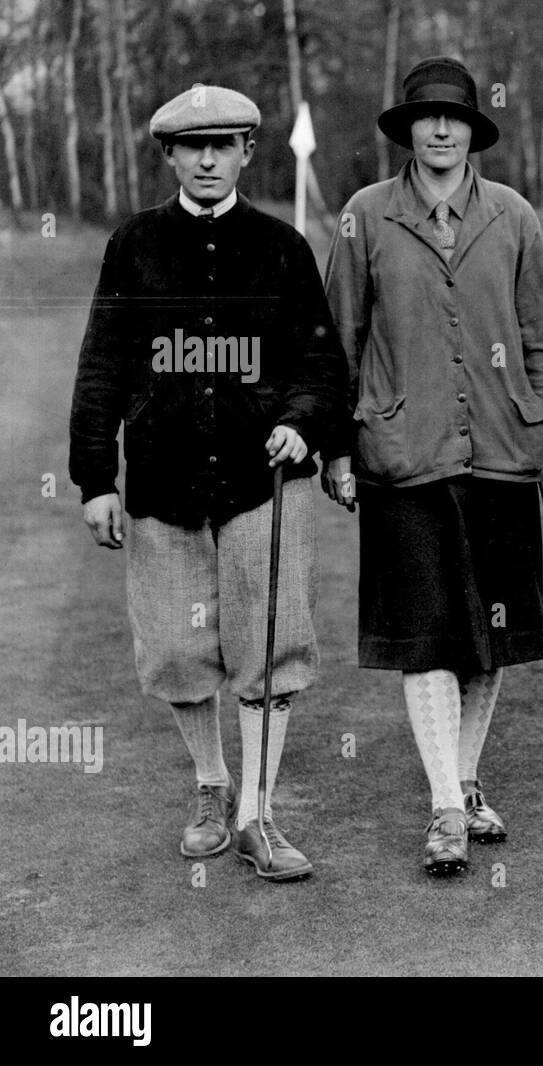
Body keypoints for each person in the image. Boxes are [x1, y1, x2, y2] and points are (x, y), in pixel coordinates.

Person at [68, 84, 348, 882]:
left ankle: (259, 814)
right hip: (163, 479)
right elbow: (102, 369)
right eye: (192, 146)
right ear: (168, 154)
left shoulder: (283, 248)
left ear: (249, 152)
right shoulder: (133, 245)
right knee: (178, 646)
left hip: (267, 483)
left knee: (270, 646)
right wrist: (95, 477)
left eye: (223, 144)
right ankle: (211, 786)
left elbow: (322, 362)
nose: (207, 158)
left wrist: (301, 419)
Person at [322, 57, 543, 876]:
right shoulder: (365, 215)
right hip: (403, 457)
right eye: (425, 118)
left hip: (502, 453)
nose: (439, 130)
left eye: (453, 119)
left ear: (472, 130)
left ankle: (465, 783)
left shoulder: (513, 216)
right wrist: (338, 447)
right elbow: (338, 343)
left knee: (485, 639)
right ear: (406, 130)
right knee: (426, 635)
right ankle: (442, 809)